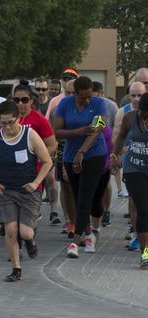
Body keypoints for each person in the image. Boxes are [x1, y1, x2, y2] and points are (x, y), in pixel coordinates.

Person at [0, 101, 53, 281]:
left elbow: (47, 161)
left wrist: (36, 182)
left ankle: (30, 242)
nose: (7, 127)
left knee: (25, 233)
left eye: (11, 122)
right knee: (10, 229)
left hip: (28, 191)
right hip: (6, 191)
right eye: (3, 123)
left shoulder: (30, 136)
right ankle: (16, 269)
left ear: (19, 120)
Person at [53, 76, 111, 257]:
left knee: (85, 197)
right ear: (75, 93)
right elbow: (57, 133)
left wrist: (82, 152)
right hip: (70, 158)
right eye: (83, 97)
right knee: (79, 196)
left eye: (89, 96)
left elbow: (97, 128)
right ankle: (88, 233)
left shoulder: (100, 104)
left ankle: (75, 242)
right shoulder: (65, 104)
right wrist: (77, 132)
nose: (87, 100)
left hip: (95, 155)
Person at [13, 83, 59, 224]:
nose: (20, 103)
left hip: (34, 171)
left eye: (24, 100)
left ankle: (53, 210)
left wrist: (38, 157)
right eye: (16, 100)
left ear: (31, 100)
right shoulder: (9, 120)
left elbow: (53, 145)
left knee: (50, 181)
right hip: (13, 172)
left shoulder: (39, 120)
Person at [111, 94, 148, 269]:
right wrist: (114, 156)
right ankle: (145, 253)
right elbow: (120, 137)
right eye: (144, 115)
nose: (146, 120)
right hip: (134, 170)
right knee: (144, 210)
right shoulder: (129, 118)